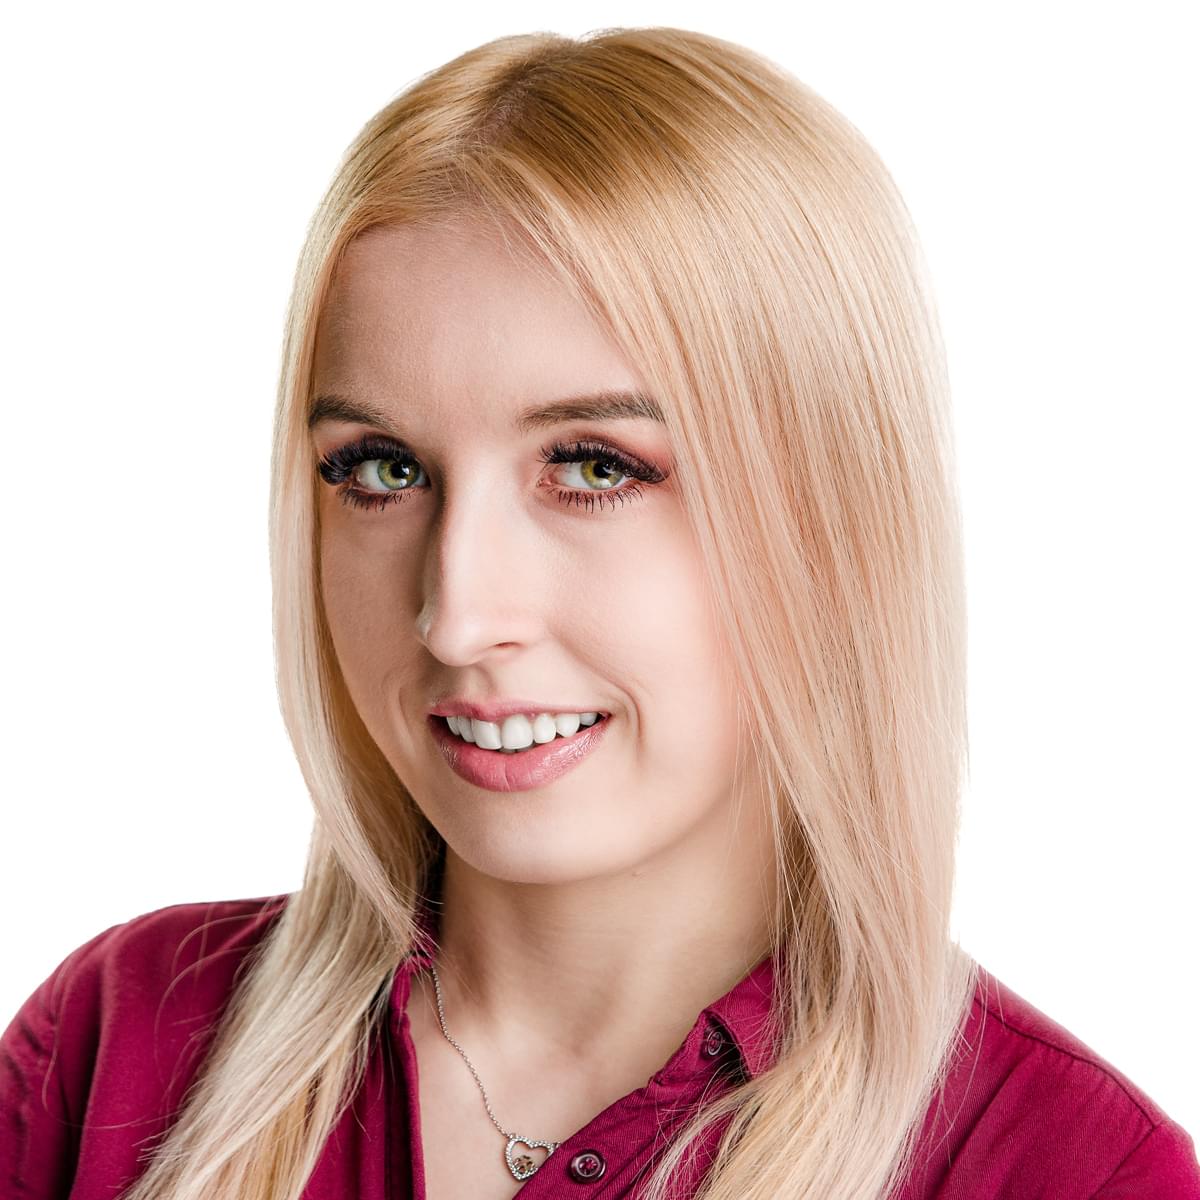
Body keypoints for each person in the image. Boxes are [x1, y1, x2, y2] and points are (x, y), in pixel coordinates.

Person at [2, 25, 1197, 1200]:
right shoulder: (115, 1050)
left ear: (837, 519)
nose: (457, 618)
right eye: (382, 468)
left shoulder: (1070, 1174)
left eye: (593, 466)